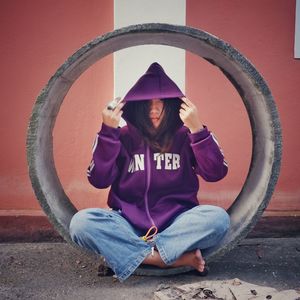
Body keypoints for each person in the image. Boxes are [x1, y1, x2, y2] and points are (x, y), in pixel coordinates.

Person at [69, 62, 230, 282]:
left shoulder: (185, 135)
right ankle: (164, 259)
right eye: (147, 104)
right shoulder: (122, 136)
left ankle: (127, 254)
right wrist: (108, 132)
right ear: (136, 108)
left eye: (161, 103)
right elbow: (98, 179)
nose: (154, 110)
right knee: (81, 223)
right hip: (127, 223)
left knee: (218, 219)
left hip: (178, 223)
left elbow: (216, 172)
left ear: (173, 106)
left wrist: (197, 129)